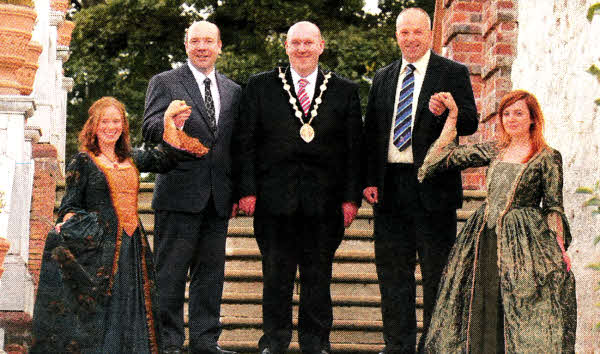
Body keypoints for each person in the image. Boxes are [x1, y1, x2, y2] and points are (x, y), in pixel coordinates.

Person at [31, 96, 207, 353]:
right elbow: (70, 205)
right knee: (102, 310)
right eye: (105, 121)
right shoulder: (83, 161)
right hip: (99, 249)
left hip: (132, 246)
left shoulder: (133, 158)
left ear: (123, 126)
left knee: (133, 307)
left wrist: (171, 122)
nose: (111, 127)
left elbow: (167, 159)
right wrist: (67, 226)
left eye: (116, 121)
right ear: (94, 126)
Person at [235, 21, 363, 354]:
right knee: (275, 276)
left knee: (318, 277)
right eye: (296, 43)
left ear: (321, 45)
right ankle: (273, 342)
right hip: (274, 202)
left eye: (309, 42)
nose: (302, 49)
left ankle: (316, 343)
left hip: (325, 204)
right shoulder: (261, 86)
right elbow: (246, 142)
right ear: (286, 46)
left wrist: (351, 198)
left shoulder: (344, 90)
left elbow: (354, 150)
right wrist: (247, 190)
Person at [418, 89, 577, 353]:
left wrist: (559, 247)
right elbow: (442, 158)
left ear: (532, 119)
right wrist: (453, 115)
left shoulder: (547, 156)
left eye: (518, 113)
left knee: (519, 305)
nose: (511, 119)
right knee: (482, 301)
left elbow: (553, 206)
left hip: (524, 242)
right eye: (506, 114)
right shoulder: (495, 149)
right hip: (484, 238)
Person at [362, 7, 478, 353]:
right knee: (393, 275)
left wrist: (451, 110)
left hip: (434, 189)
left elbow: (470, 122)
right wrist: (368, 179)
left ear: (430, 34)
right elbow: (372, 133)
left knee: (437, 275)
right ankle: (397, 345)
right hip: (390, 188)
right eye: (404, 33)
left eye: (417, 32)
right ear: (396, 35)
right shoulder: (383, 76)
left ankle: (435, 344)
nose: (410, 39)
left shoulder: (452, 72)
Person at [142, 20, 241, 354]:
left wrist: (238, 190)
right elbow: (150, 127)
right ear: (186, 45)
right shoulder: (165, 82)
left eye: (208, 41)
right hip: (178, 194)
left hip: (218, 197)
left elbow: (234, 145)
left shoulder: (233, 90)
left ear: (219, 46)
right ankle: (167, 342)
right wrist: (169, 123)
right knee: (169, 275)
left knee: (210, 276)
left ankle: (204, 341)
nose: (202, 47)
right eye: (195, 41)